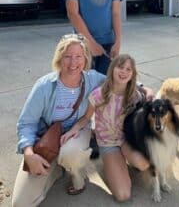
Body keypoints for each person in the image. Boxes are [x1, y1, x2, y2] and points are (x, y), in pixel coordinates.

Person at [12, 34, 153, 206]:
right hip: (45, 142)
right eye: (68, 56)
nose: (73, 62)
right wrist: (29, 153)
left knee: (71, 153)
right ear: (59, 58)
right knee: (21, 203)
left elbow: (117, 80)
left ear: (85, 58)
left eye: (78, 56)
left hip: (76, 136)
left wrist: (144, 88)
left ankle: (74, 173)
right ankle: (56, 167)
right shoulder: (44, 86)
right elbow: (26, 123)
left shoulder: (92, 79)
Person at [88, 54, 150, 202]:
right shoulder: (99, 94)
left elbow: (146, 98)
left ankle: (126, 158)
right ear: (112, 69)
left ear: (132, 74)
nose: (124, 72)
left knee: (143, 164)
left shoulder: (134, 95)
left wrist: (150, 93)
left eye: (129, 69)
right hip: (108, 143)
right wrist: (77, 132)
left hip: (126, 140)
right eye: (120, 67)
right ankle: (107, 164)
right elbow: (85, 118)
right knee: (123, 195)